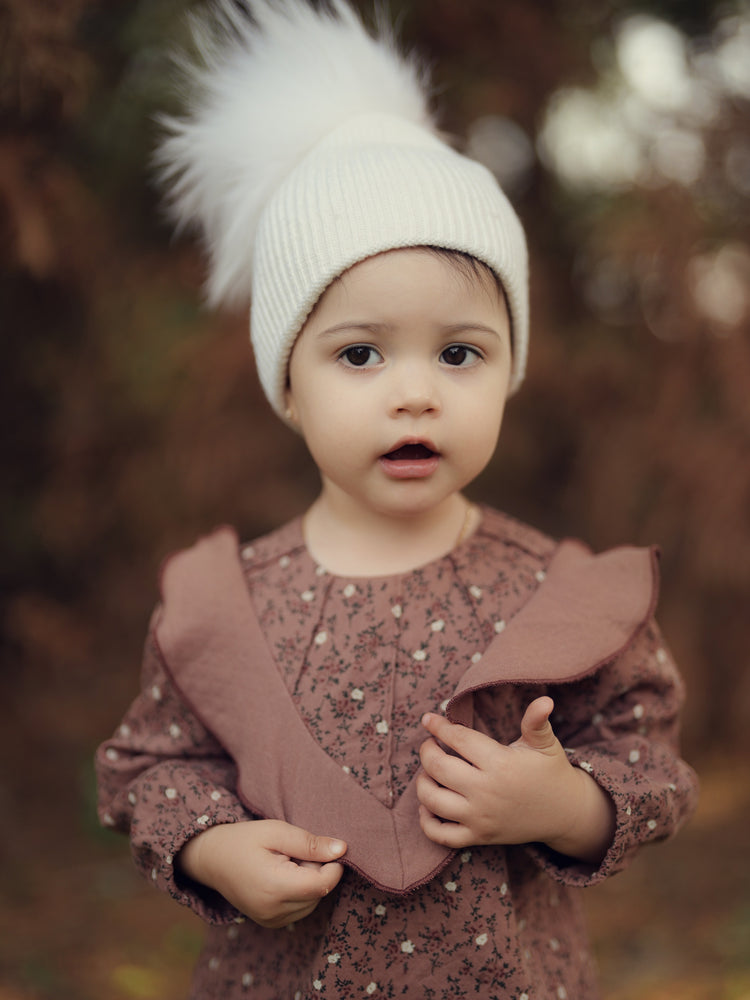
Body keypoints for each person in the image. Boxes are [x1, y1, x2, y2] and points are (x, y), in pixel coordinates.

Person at [96, 2, 699, 997]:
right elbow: (149, 768)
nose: (414, 390)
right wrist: (212, 849)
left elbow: (651, 765)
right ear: (289, 382)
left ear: (508, 370)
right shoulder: (227, 608)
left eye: (459, 352)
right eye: (361, 352)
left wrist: (566, 803)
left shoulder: (553, 595)